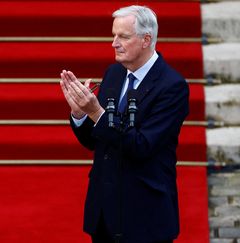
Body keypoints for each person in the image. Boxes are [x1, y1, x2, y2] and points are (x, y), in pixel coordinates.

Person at [60, 5, 189, 243]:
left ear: (146, 40)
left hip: (145, 216)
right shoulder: (114, 73)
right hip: (104, 214)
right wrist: (80, 115)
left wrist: (96, 113)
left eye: (123, 36)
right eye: (113, 35)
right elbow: (95, 141)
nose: (114, 43)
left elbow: (141, 145)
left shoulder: (172, 87)